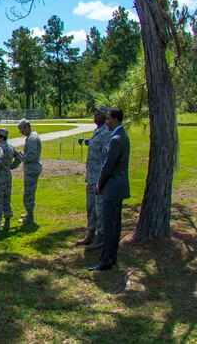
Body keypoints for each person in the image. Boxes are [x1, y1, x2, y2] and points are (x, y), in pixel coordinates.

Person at [90, 107, 130, 271]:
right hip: (119, 187)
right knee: (115, 225)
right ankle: (112, 256)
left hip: (112, 188)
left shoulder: (116, 139)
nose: (106, 122)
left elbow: (108, 166)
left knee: (109, 225)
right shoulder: (123, 136)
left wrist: (99, 183)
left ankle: (106, 260)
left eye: (108, 119)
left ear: (115, 119)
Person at [77, 106, 112, 249]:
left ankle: (101, 237)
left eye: (98, 114)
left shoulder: (107, 134)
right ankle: (91, 233)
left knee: (99, 208)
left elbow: (106, 158)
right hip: (90, 177)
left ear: (104, 117)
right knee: (90, 207)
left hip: (99, 178)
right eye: (95, 113)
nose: (95, 115)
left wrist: (102, 180)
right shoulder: (97, 131)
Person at [14, 119, 42, 224]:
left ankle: (30, 217)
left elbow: (32, 156)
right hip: (31, 168)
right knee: (28, 192)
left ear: (27, 127)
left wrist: (21, 155)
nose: (22, 133)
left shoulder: (33, 138)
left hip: (32, 169)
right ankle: (29, 213)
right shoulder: (31, 137)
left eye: (22, 131)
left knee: (29, 193)